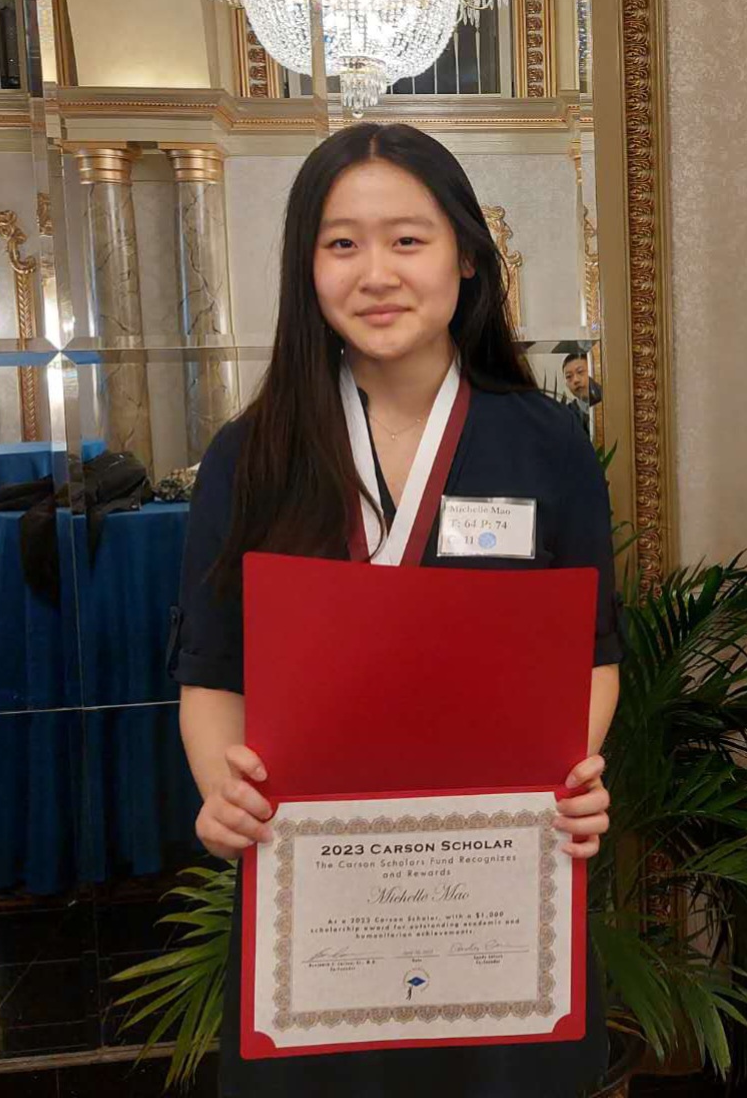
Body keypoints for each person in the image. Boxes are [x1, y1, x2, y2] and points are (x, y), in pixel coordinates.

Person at [169, 122, 622, 1097]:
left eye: (408, 239)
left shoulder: (549, 446)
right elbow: (211, 670)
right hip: (316, 884)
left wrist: (559, 775)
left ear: (467, 255)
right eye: (342, 243)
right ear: (308, 267)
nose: (376, 273)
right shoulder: (252, 456)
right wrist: (224, 792)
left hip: (494, 874)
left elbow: (593, 653)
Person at [563, 352, 602, 435]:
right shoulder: (565, 414)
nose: (576, 380)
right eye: (569, 376)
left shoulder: (609, 404)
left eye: (580, 372)